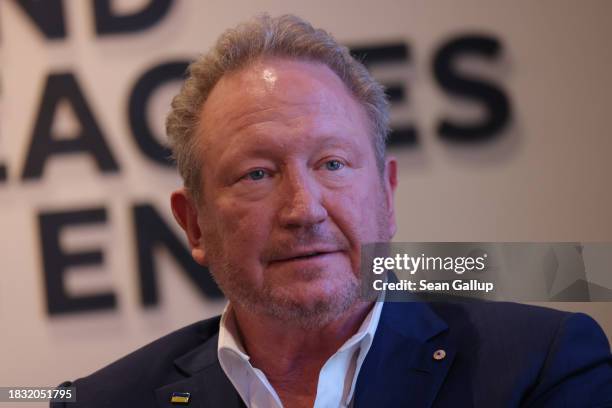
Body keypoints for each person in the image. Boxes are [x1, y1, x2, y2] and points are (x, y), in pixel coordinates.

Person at [52, 14, 612, 408]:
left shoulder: (541, 365)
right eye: (258, 175)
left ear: (387, 195)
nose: (304, 210)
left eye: (333, 164)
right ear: (195, 224)